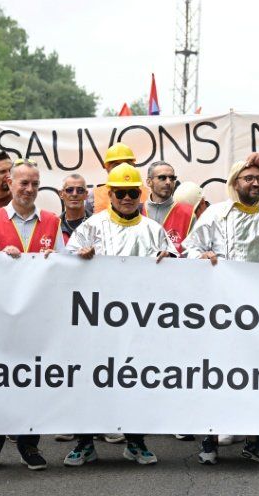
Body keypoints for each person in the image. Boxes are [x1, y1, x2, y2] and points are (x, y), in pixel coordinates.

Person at [182, 158, 259, 465]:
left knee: (256, 376)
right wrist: (201, 256)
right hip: (219, 313)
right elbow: (190, 248)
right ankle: (209, 441)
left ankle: (254, 440)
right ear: (235, 183)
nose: (255, 183)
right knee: (215, 377)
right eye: (248, 178)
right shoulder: (215, 214)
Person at [63, 163, 177, 466]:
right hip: (96, 321)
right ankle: (85, 443)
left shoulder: (154, 229)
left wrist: (170, 258)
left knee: (135, 381)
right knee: (91, 382)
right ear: (111, 194)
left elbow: (178, 269)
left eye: (132, 193)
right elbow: (64, 265)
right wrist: (78, 256)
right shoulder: (91, 227)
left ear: (140, 194)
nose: (127, 198)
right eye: (120, 193)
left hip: (139, 322)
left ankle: (135, 442)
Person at [0, 159, 63, 472]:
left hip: (38, 317)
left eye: (35, 184)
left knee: (33, 381)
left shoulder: (52, 221)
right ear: (9, 183)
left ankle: (29, 445)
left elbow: (65, 268)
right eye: (23, 183)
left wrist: (56, 259)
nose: (29, 189)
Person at [144, 161, 195, 254]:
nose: (168, 182)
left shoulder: (189, 213)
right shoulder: (136, 211)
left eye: (172, 178)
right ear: (149, 182)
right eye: (162, 178)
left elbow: (196, 252)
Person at [85, 143, 148, 214]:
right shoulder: (94, 196)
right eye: (116, 165)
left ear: (133, 166)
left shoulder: (148, 194)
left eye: (126, 163)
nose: (122, 168)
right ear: (107, 169)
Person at [59, 174, 91, 244]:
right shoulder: (55, 226)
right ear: (61, 194)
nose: (74, 194)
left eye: (80, 190)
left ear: (86, 194)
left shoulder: (98, 224)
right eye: (69, 190)